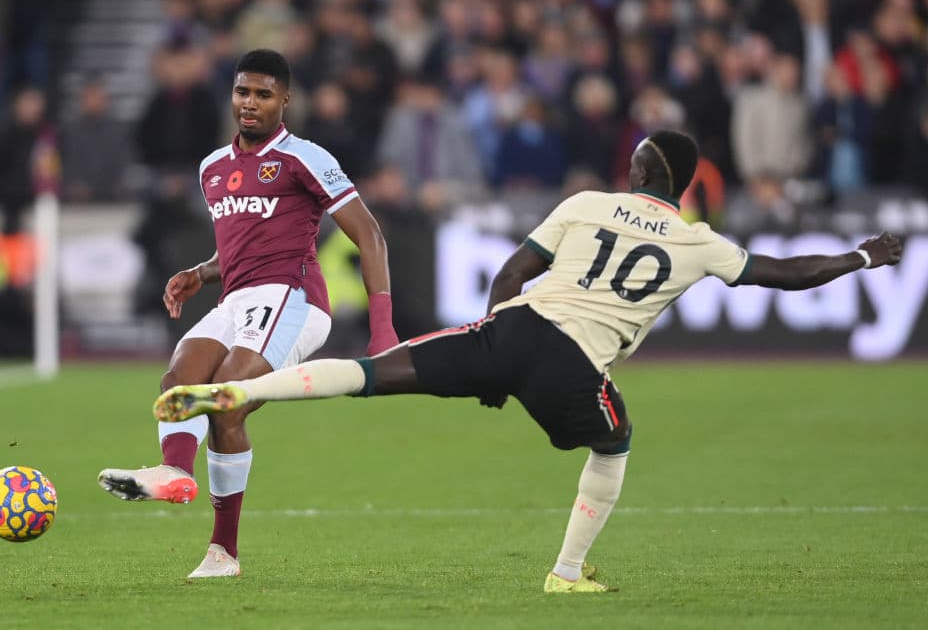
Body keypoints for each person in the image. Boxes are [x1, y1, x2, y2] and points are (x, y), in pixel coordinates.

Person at [153, 130, 903, 592]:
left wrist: (491, 357)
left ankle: (238, 394)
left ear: (639, 168)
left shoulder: (584, 202)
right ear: (680, 182)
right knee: (615, 441)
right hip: (576, 361)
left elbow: (511, 271)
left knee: (375, 374)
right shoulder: (697, 238)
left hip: (508, 332)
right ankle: (566, 574)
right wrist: (860, 256)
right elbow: (782, 272)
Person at [98, 49, 400, 579]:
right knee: (179, 382)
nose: (250, 104)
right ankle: (177, 479)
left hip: (294, 298)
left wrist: (382, 328)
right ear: (231, 95)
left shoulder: (304, 157)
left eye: (263, 94)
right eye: (243, 92)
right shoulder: (212, 168)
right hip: (236, 297)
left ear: (285, 100)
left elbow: (369, 234)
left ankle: (222, 549)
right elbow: (240, 247)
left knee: (224, 400)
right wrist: (201, 272)